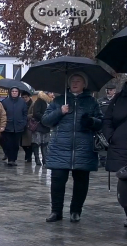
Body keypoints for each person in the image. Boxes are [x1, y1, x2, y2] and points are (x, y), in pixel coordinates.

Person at [42, 72, 103, 223]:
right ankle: (56, 211)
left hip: (84, 147)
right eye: (72, 81)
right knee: (57, 181)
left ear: (84, 84)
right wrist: (60, 112)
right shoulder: (58, 101)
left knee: (81, 182)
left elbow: (101, 122)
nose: (75, 83)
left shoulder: (92, 102)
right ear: (68, 84)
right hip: (60, 147)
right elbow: (46, 121)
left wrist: (91, 121)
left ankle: (76, 211)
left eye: (78, 81)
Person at [102, 82, 127, 227]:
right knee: (124, 184)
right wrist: (111, 136)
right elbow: (107, 120)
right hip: (121, 147)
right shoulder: (118, 98)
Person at [1, 87, 28, 167]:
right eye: (13, 91)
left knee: (16, 145)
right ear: (10, 92)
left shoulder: (22, 102)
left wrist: (23, 123)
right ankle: (9, 159)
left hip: (18, 126)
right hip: (8, 126)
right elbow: (2, 114)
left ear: (18, 92)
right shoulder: (5, 102)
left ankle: (13, 159)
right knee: (8, 143)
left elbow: (25, 113)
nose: (14, 92)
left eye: (16, 91)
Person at [31, 91, 53, 166]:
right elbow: (36, 113)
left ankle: (45, 159)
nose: (52, 94)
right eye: (51, 93)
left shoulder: (49, 102)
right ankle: (37, 159)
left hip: (46, 126)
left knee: (45, 143)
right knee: (36, 143)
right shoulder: (39, 101)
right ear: (46, 94)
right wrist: (45, 118)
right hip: (38, 125)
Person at [98, 85, 116, 168]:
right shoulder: (101, 101)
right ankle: (102, 160)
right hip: (103, 124)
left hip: (114, 125)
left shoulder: (117, 101)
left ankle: (112, 159)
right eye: (107, 90)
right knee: (102, 142)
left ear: (114, 91)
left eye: (110, 90)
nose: (108, 92)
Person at [21, 91, 34, 163]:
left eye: (26, 97)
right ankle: (28, 155)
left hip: (30, 125)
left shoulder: (32, 104)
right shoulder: (21, 104)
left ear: (29, 97)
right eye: (23, 97)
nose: (24, 98)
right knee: (22, 143)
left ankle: (29, 156)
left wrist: (26, 117)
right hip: (22, 125)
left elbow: (33, 113)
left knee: (28, 143)